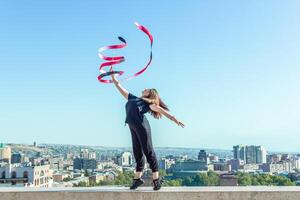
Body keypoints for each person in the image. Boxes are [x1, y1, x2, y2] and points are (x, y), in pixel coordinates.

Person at [110, 70, 185, 190]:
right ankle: (137, 179)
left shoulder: (148, 103)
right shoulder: (133, 98)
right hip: (133, 126)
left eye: (147, 89)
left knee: (148, 151)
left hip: (143, 127)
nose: (144, 88)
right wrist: (113, 77)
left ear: (149, 94)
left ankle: (156, 180)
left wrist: (175, 119)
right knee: (137, 152)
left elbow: (162, 111)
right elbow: (119, 87)